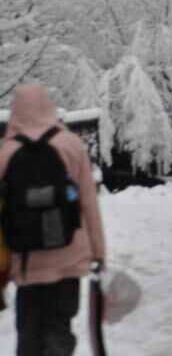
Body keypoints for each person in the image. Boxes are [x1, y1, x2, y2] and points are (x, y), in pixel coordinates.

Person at [1, 85, 107, 355]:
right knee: (59, 326)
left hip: (27, 260)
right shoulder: (70, 144)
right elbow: (89, 204)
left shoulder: (7, 152)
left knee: (29, 333)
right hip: (69, 256)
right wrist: (99, 253)